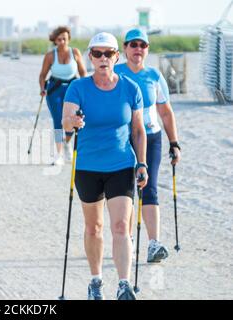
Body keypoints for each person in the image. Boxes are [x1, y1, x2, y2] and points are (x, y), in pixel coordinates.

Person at [62, 32, 148, 300]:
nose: (102, 59)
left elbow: (138, 130)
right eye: (97, 54)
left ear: (116, 57)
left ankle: (124, 284)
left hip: (121, 164)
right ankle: (96, 280)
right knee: (94, 228)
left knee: (121, 226)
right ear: (90, 57)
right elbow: (65, 122)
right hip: (88, 166)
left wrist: (142, 164)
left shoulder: (130, 88)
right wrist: (73, 122)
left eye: (107, 54)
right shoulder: (78, 88)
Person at [115, 29, 182, 263]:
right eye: (133, 45)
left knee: (149, 187)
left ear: (147, 50)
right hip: (123, 137)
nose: (138, 49)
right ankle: (127, 239)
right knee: (126, 191)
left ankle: (154, 244)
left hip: (151, 137)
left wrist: (174, 143)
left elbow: (165, 111)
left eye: (142, 45)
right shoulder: (116, 73)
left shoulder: (154, 76)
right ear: (125, 49)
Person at [39, 26, 87, 165]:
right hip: (54, 90)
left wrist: (84, 89)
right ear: (55, 41)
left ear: (68, 39)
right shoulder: (50, 55)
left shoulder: (75, 53)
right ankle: (59, 154)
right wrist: (42, 88)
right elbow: (42, 75)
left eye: (64, 39)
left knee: (72, 119)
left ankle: (67, 142)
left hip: (72, 89)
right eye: (59, 39)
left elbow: (83, 73)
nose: (62, 42)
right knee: (58, 120)